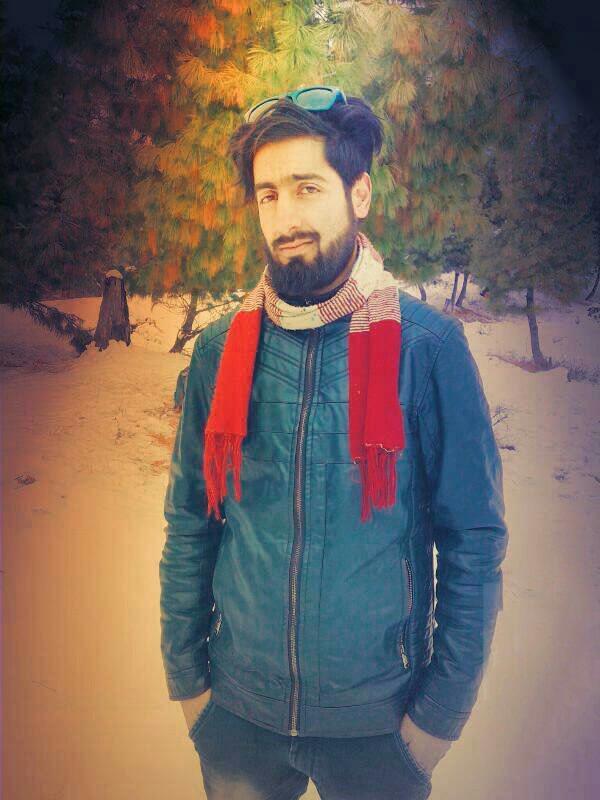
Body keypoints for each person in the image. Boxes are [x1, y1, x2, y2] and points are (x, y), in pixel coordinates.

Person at [159, 86, 508, 800]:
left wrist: (437, 720)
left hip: (379, 728)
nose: (285, 217)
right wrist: (189, 683)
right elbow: (191, 521)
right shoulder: (221, 352)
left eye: (307, 188)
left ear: (360, 194)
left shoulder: (427, 350)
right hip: (239, 719)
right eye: (268, 195)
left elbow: (472, 541)